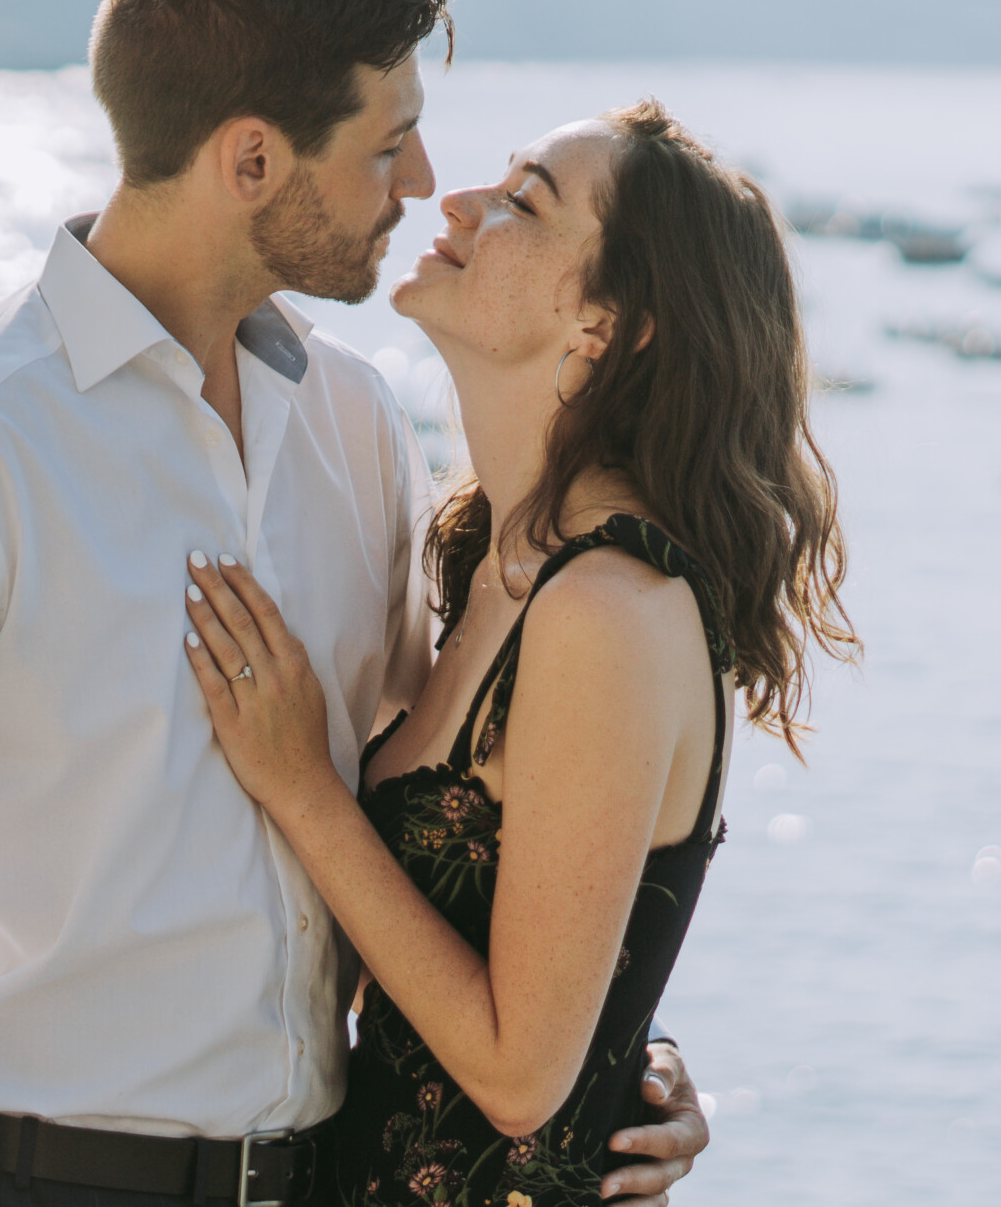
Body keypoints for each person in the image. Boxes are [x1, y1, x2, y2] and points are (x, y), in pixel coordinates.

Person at [0, 0, 713, 1207]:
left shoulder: (354, 424)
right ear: (252, 160)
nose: (424, 187)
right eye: (391, 145)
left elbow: (427, 840)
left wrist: (610, 1064)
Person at [178, 102, 856, 1206]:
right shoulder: (488, 558)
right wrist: (635, 1053)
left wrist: (301, 783)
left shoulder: (606, 608)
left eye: (522, 202)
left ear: (608, 323)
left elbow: (519, 1075)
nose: (454, 202)